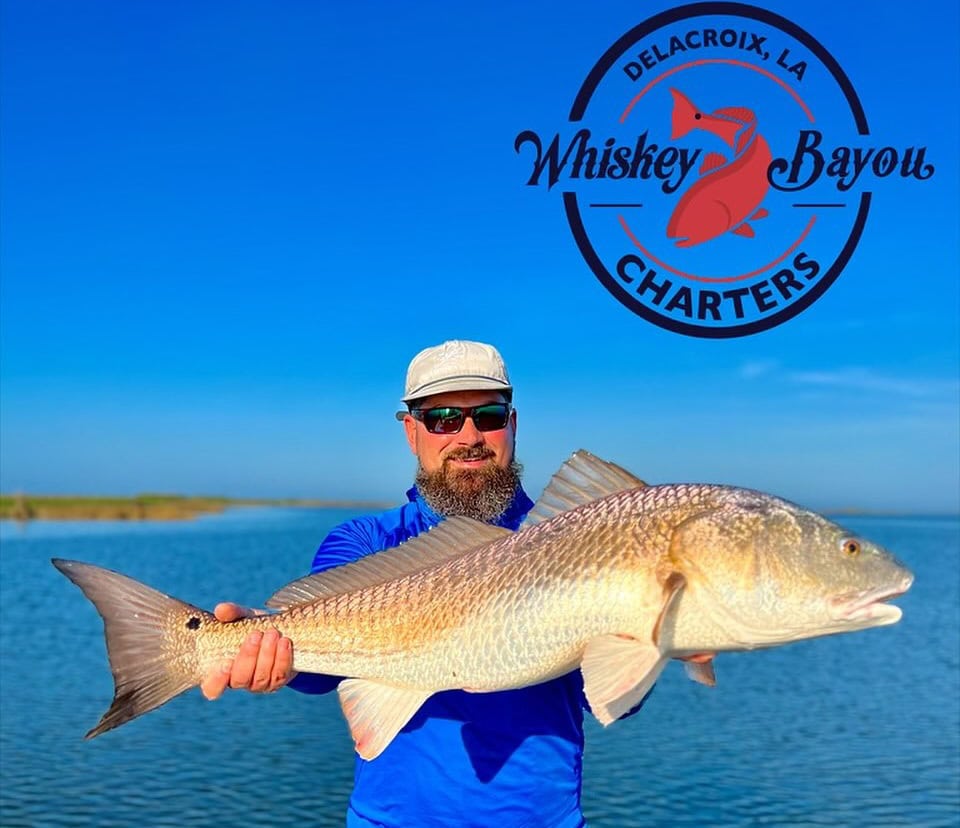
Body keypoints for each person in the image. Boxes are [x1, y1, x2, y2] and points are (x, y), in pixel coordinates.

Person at [200, 340, 646, 827]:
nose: (469, 436)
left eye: (489, 415)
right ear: (412, 431)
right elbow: (317, 672)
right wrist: (266, 655)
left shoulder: (576, 539)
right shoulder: (367, 540)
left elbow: (608, 701)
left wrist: (662, 638)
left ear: (512, 425)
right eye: (445, 418)